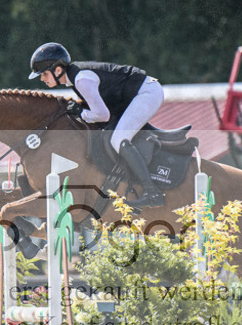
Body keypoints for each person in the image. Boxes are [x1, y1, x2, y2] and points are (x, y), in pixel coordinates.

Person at [28, 42, 165, 209]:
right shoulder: (75, 78)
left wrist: (81, 113)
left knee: (118, 139)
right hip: (137, 94)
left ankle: (153, 193)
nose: (42, 78)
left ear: (58, 70)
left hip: (147, 93)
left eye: (44, 74)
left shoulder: (81, 80)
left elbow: (102, 115)